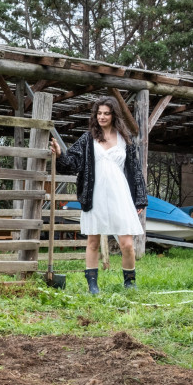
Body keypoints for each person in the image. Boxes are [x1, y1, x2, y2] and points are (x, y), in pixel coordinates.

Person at [49, 97, 147, 294]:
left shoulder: (125, 139)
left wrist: (140, 198)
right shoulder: (88, 139)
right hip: (95, 194)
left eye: (106, 113)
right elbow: (73, 162)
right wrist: (60, 154)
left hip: (120, 195)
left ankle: (130, 283)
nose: (102, 117)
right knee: (93, 241)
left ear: (114, 115)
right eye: (99, 113)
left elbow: (135, 170)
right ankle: (92, 285)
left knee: (127, 244)